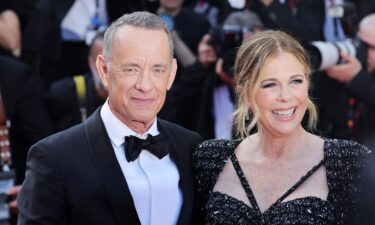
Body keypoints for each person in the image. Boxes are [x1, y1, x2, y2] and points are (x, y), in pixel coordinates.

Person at [17, 11, 202, 225]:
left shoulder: (191, 146)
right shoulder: (54, 157)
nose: (145, 85)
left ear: (171, 75)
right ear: (104, 70)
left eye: (157, 70)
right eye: (131, 69)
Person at [193, 30, 371, 225]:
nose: (285, 96)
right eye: (270, 84)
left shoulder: (349, 162)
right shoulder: (210, 159)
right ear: (244, 92)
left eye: (296, 81)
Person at [316, 13, 375, 149]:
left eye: (372, 47)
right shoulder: (343, 65)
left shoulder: (359, 77)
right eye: (361, 43)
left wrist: (357, 78)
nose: (364, 51)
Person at [45, 31, 107, 131]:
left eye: (114, 60)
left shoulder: (134, 95)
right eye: (102, 61)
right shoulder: (67, 92)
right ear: (90, 62)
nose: (107, 68)